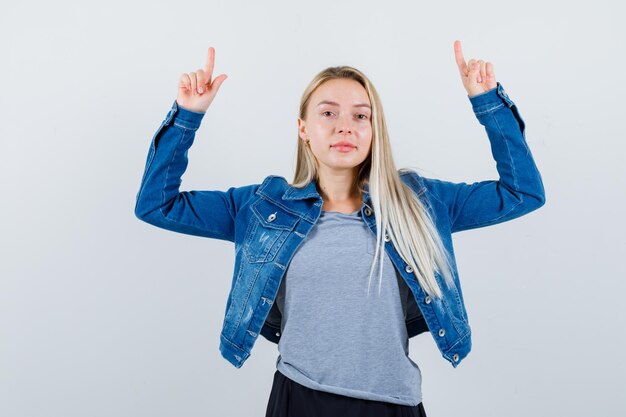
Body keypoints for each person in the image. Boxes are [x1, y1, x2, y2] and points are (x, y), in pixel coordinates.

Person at [134, 40, 546, 417]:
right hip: (298, 397)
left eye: (360, 116)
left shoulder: (421, 202)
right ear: (303, 130)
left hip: (394, 404)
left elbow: (522, 192)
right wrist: (187, 116)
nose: (344, 126)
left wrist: (487, 103)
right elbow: (156, 204)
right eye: (328, 113)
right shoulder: (260, 207)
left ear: (373, 130)